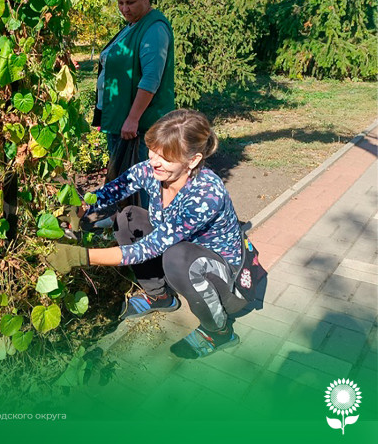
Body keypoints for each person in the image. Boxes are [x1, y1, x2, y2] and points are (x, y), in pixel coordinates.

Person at [48, 109, 249, 359]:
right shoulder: (153, 171)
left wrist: (79, 257)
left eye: (165, 157)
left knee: (177, 258)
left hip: (219, 270)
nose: (154, 161)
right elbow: (115, 190)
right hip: (177, 249)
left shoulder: (206, 195)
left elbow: (149, 248)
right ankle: (161, 297)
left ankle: (219, 332)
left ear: (193, 160)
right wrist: (80, 208)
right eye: (152, 151)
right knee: (128, 217)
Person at [92, 0, 175, 205]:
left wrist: (133, 118)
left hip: (141, 125)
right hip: (121, 119)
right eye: (120, 3)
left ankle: (145, 229)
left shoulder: (153, 28)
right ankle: (122, 218)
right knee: (123, 174)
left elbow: (151, 79)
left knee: (144, 180)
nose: (124, 8)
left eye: (131, 2)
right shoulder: (133, 25)